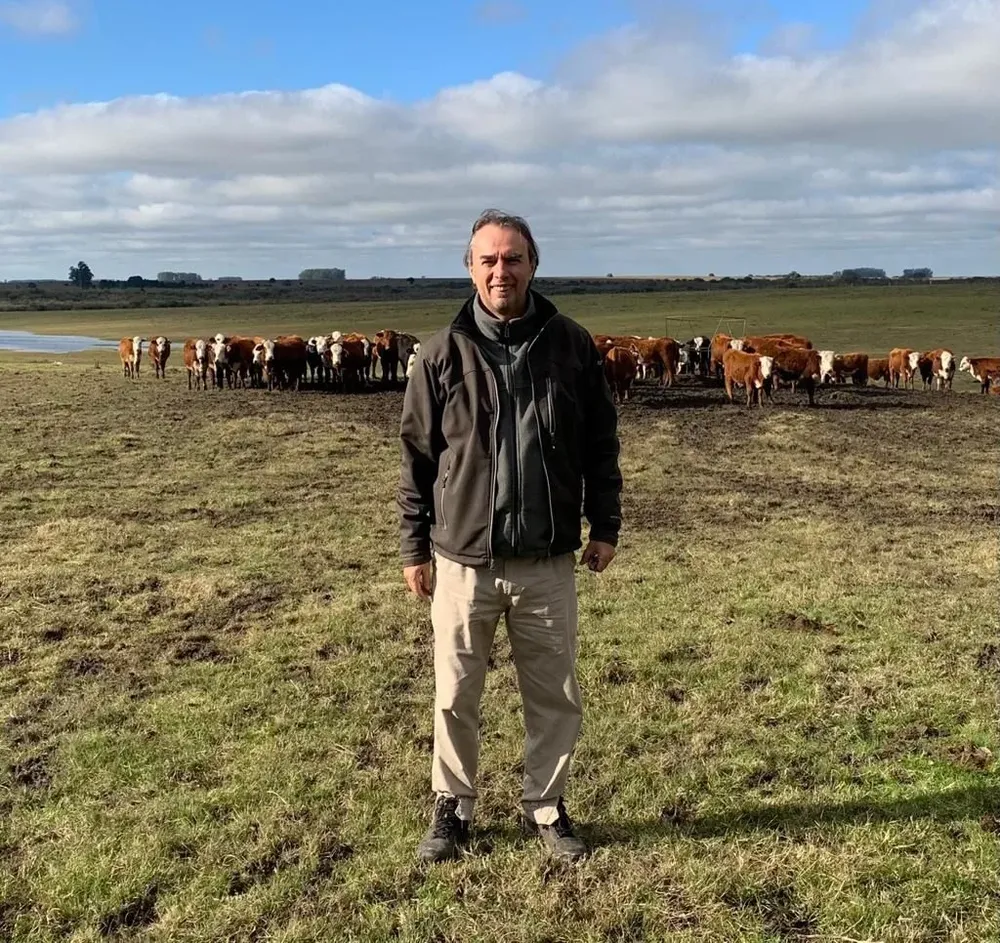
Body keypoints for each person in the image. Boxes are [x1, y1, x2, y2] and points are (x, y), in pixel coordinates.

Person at [397, 209, 622, 863]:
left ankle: (546, 806)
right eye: (488, 259)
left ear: (533, 263)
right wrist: (414, 545)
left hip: (548, 559)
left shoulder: (572, 345)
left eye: (513, 258)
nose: (502, 270)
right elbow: (416, 457)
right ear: (470, 267)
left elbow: (601, 445)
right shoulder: (441, 353)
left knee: (553, 693)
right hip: (462, 559)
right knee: (455, 691)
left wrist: (604, 524)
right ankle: (453, 806)